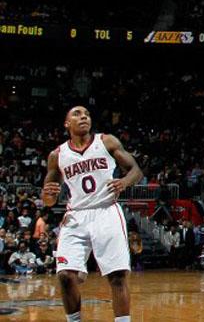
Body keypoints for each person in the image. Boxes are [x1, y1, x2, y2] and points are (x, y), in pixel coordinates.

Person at [42, 105, 143, 322]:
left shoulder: (106, 141)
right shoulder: (57, 155)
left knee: (117, 276)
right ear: (67, 124)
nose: (83, 117)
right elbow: (48, 200)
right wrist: (48, 195)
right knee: (65, 275)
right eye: (77, 114)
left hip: (106, 211)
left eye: (86, 114)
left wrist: (124, 182)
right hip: (76, 215)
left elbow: (136, 170)